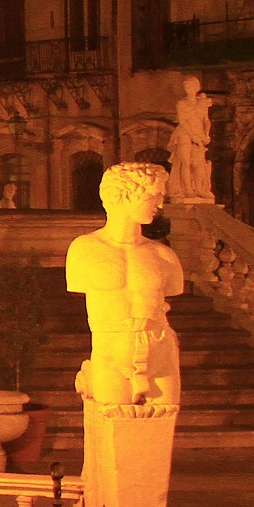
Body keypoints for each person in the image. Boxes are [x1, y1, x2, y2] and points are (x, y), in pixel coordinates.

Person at [65, 162, 184, 409]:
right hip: (111, 355)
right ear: (124, 195)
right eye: (154, 196)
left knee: (161, 426)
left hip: (160, 354)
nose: (160, 205)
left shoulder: (163, 255)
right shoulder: (85, 250)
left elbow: (172, 290)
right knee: (113, 427)